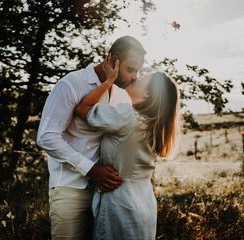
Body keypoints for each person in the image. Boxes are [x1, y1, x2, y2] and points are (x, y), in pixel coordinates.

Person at [36, 36, 146, 240]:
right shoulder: (71, 84)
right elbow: (47, 137)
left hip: (108, 194)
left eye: (138, 71)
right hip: (70, 188)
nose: (134, 76)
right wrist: (92, 169)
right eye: (131, 69)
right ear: (112, 59)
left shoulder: (123, 96)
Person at [74, 55, 181, 240]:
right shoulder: (152, 125)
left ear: (148, 94)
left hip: (120, 205)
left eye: (141, 79)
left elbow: (83, 108)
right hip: (143, 202)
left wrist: (108, 81)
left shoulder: (128, 117)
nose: (134, 78)